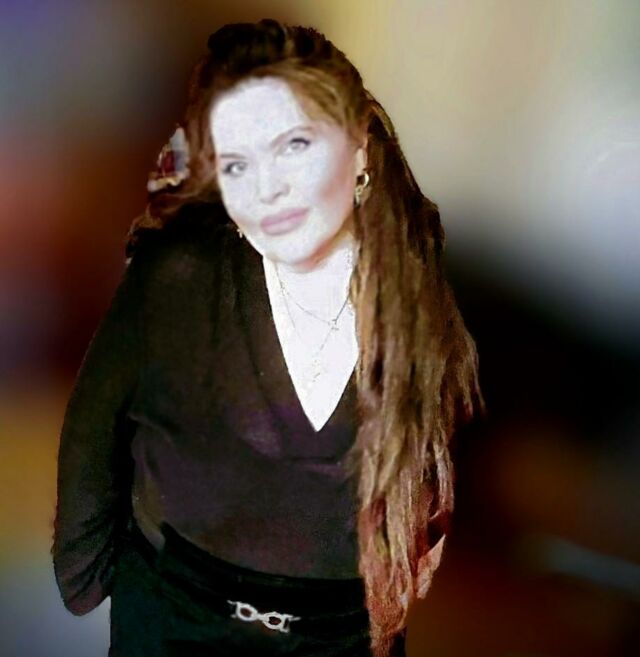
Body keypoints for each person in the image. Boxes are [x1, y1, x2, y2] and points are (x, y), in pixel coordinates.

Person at [52, 19, 484, 657]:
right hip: (178, 623)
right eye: (238, 162)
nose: (268, 189)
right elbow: (94, 430)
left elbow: (437, 488)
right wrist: (96, 583)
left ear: (358, 152)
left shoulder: (423, 298)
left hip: (344, 638)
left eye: (294, 146)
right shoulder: (181, 274)